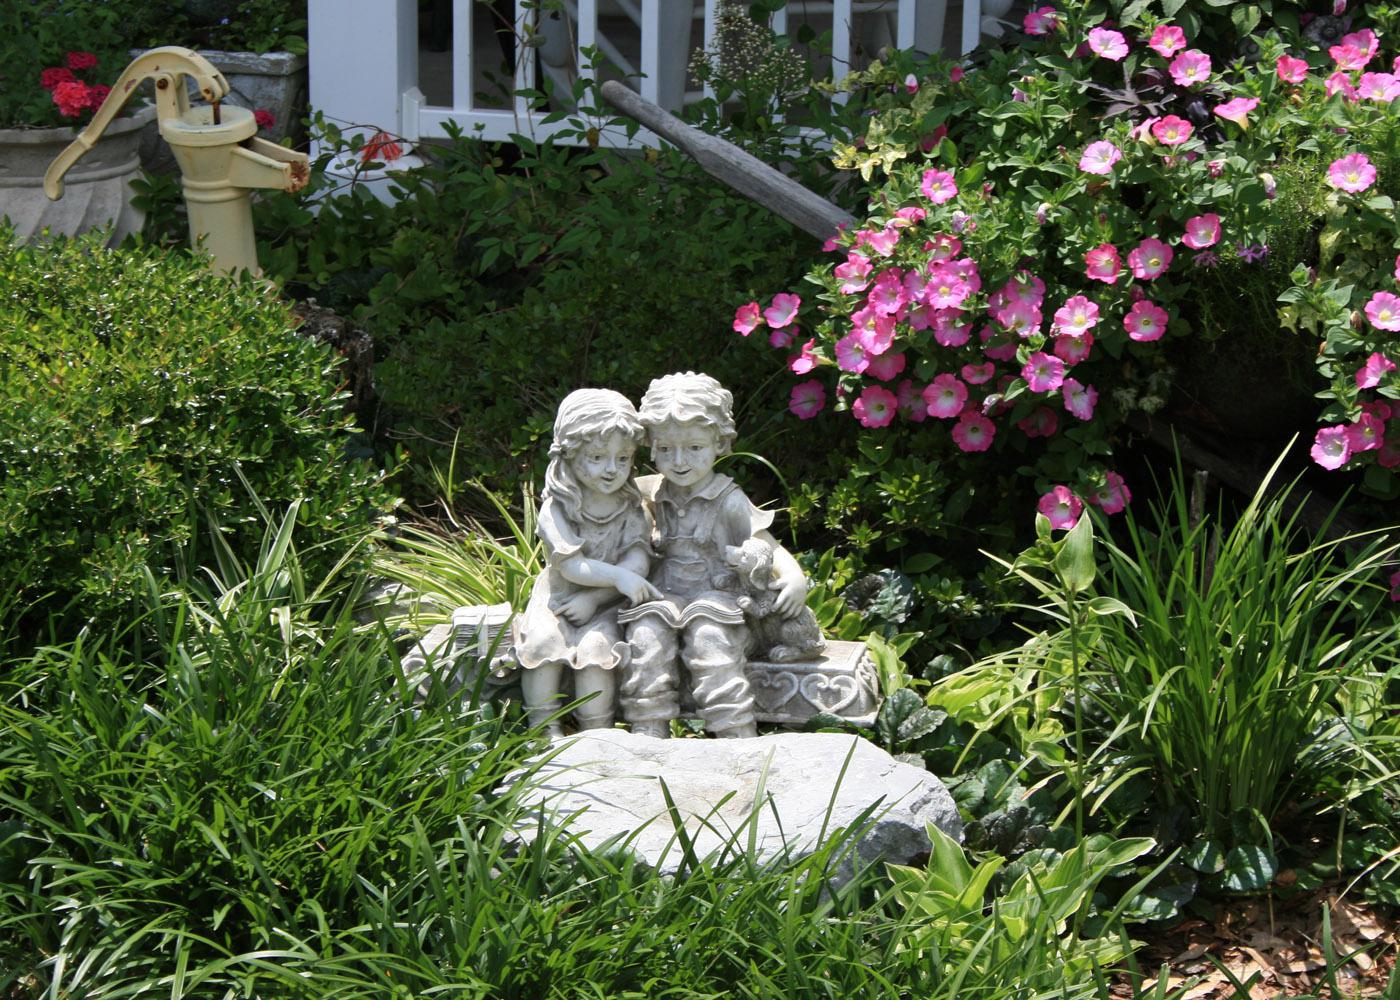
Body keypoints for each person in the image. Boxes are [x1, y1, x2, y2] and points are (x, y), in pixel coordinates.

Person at [619, 372, 808, 739]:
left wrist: (795, 576)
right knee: (645, 638)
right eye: (667, 449)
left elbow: (767, 543)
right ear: (653, 447)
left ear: (719, 443)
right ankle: (648, 733)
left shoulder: (728, 499)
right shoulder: (650, 494)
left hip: (719, 600)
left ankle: (735, 736)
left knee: (710, 641)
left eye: (694, 448)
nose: (679, 461)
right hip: (663, 597)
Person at [514, 388, 660, 737]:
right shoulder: (557, 509)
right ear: (568, 455)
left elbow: (637, 561)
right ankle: (543, 729)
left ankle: (597, 734)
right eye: (596, 457)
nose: (612, 469)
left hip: (608, 603)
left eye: (623, 458)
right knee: (542, 644)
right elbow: (570, 567)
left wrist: (595, 599)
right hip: (558, 598)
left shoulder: (629, 507)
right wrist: (618, 577)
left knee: (597, 650)